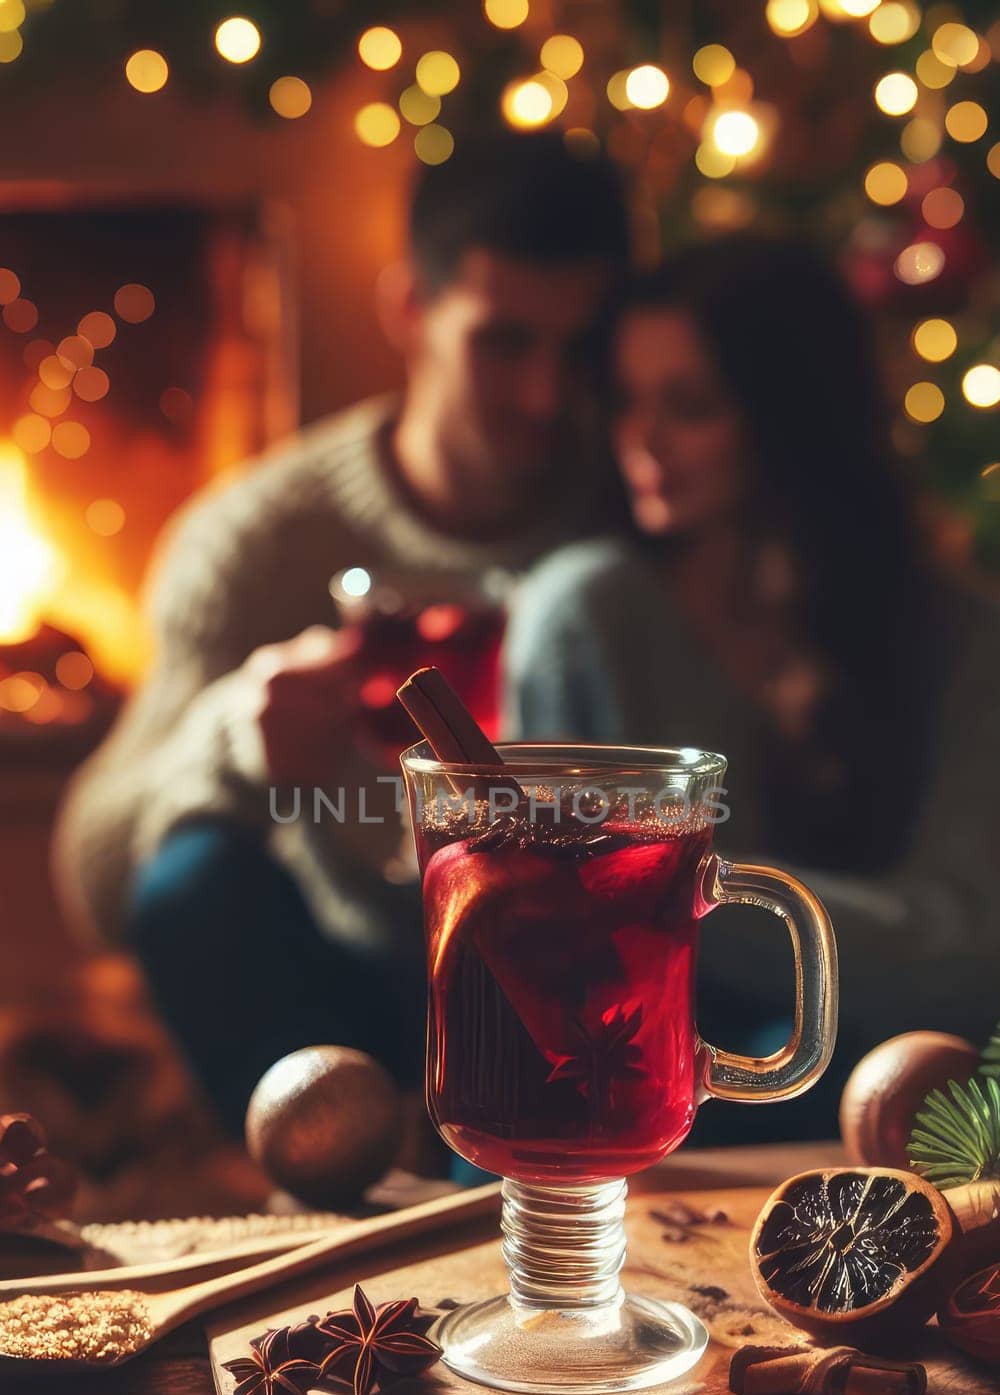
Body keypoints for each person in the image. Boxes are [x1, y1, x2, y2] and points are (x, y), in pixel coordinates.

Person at [53, 132, 630, 1128]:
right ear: (409, 308)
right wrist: (239, 739)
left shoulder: (641, 512)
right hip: (337, 985)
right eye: (502, 342)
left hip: (582, 986)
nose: (545, 393)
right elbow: (99, 878)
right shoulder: (258, 540)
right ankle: (334, 1188)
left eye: (575, 350)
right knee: (191, 884)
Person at [503, 235, 1000, 1134]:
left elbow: (982, 945)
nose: (642, 440)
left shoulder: (968, 638)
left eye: (691, 406)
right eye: (629, 401)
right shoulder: (587, 617)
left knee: (925, 1082)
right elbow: (580, 926)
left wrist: (686, 894)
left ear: (790, 417)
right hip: (630, 1067)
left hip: (893, 1061)